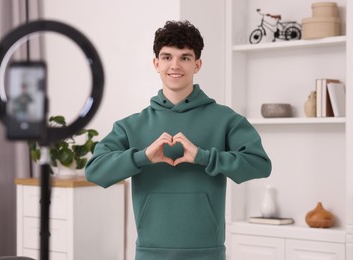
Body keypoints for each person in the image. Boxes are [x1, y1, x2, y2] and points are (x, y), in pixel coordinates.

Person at [85, 20, 272, 260]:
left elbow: (260, 164)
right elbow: (95, 171)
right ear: (156, 63)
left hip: (207, 253)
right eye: (166, 57)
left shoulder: (225, 119)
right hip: (150, 253)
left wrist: (203, 157)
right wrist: (143, 157)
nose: (175, 65)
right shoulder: (131, 125)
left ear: (198, 64)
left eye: (184, 57)